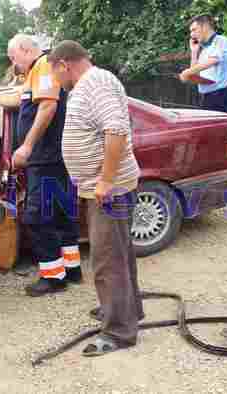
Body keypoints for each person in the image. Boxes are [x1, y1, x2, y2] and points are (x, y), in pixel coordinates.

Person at [47, 40, 144, 356]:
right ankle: (128, 310)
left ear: (64, 64)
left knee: (106, 259)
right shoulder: (87, 84)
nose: (54, 80)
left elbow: (116, 129)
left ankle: (119, 332)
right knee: (119, 252)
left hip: (109, 190)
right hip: (101, 187)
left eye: (54, 72)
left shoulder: (95, 82)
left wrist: (105, 180)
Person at [0, 34, 82, 297]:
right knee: (61, 214)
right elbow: (14, 100)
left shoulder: (44, 64)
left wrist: (27, 146)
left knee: (37, 218)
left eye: (13, 57)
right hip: (53, 159)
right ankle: (71, 269)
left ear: (25, 49)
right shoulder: (35, 73)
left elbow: (47, 108)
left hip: (44, 159)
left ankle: (54, 278)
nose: (13, 63)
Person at [179, 14, 227, 113]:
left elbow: (211, 62)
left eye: (194, 30)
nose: (191, 35)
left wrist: (187, 72)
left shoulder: (221, 41)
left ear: (204, 27)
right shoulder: (204, 50)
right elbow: (195, 73)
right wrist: (194, 52)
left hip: (218, 97)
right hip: (206, 98)